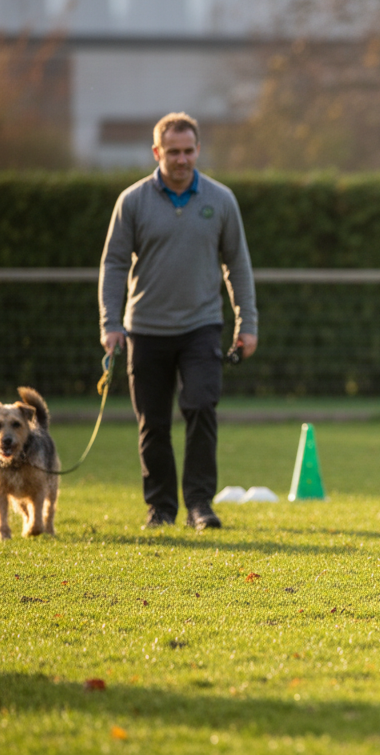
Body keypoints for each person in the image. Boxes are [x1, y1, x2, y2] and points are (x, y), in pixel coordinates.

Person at [98, 112, 258, 530]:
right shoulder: (132, 202)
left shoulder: (221, 201)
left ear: (198, 150)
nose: (182, 159)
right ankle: (161, 508)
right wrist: (109, 323)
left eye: (188, 151)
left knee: (202, 406)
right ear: (157, 152)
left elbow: (237, 265)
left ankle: (200, 505)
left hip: (202, 326)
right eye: (173, 151)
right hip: (144, 329)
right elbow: (114, 264)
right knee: (153, 423)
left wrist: (248, 323)